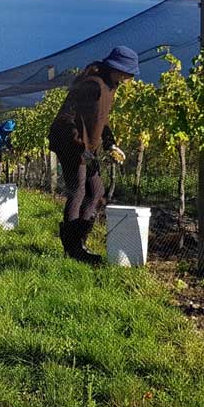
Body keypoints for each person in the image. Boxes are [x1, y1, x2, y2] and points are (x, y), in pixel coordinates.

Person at [47, 46, 137, 264]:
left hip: (85, 145)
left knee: (96, 191)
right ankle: (73, 249)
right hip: (69, 141)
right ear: (117, 69)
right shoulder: (93, 84)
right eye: (128, 73)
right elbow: (68, 116)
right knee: (78, 190)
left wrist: (110, 144)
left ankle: (79, 243)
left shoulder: (109, 86)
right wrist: (80, 147)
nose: (129, 78)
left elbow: (101, 119)